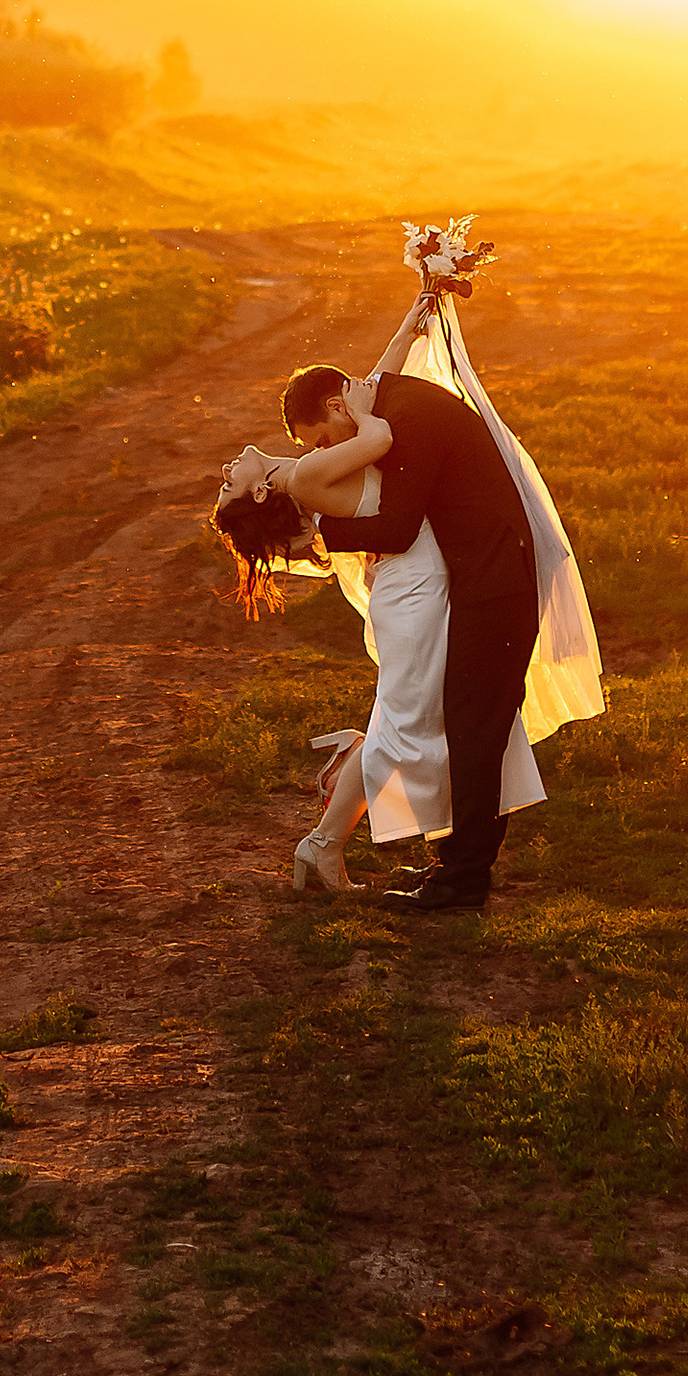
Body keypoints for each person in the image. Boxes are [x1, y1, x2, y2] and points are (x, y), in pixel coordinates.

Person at [215, 283, 602, 916]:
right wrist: (369, 419)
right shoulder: (372, 422)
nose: (320, 451)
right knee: (452, 724)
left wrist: (422, 302)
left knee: (460, 727)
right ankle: (450, 866)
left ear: (336, 403)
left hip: (482, 578)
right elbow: (377, 456)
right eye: (231, 484)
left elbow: (389, 500)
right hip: (455, 581)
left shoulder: (388, 414)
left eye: (320, 436)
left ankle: (453, 871)